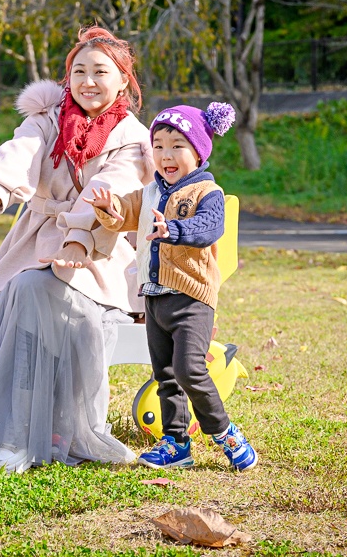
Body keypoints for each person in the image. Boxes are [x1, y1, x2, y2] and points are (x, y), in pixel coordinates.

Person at [0, 27, 155, 473]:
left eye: (101, 72)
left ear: (123, 82)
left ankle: (9, 438)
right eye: (79, 71)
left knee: (22, 293)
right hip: (35, 249)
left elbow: (106, 190)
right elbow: (20, 152)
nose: (88, 81)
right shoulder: (49, 118)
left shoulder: (134, 140)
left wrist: (77, 238)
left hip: (97, 261)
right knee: (6, 304)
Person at [83, 103, 258, 471]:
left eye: (177, 146)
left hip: (191, 298)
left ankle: (225, 432)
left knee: (189, 369)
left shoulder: (207, 192)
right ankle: (176, 443)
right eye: (158, 146)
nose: (166, 155)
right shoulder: (149, 192)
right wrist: (109, 208)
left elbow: (210, 227)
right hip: (154, 297)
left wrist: (174, 229)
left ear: (198, 151)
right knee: (164, 374)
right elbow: (124, 214)